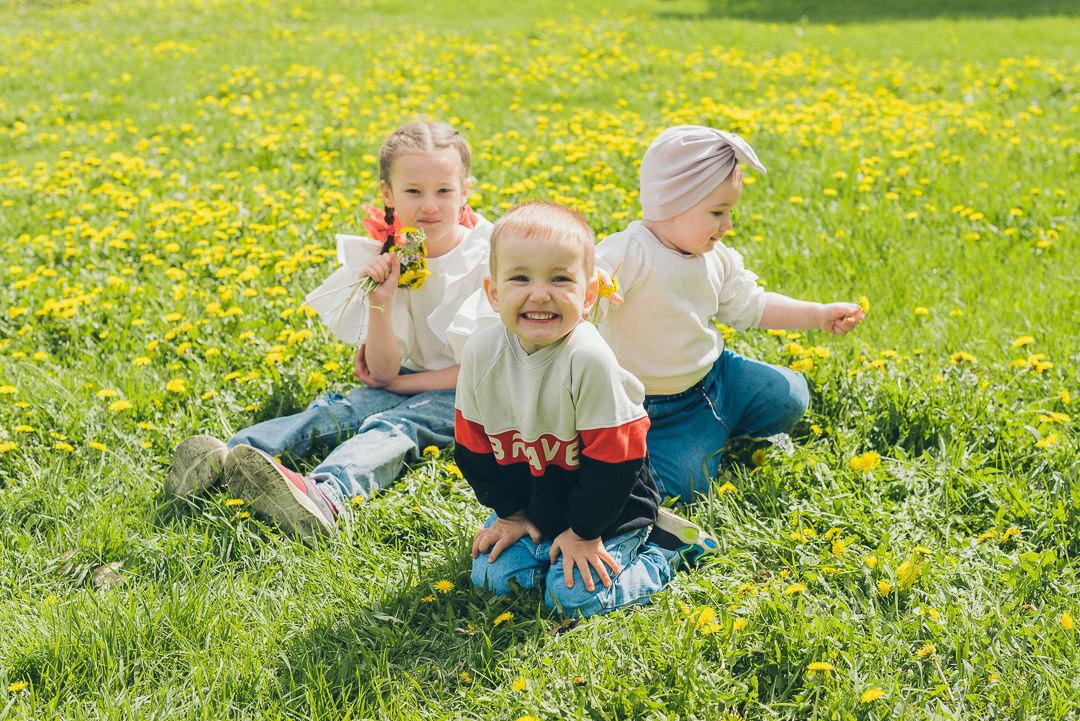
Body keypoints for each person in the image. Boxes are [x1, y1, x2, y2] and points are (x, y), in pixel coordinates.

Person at [164, 120, 495, 540]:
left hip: (468, 393)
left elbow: (480, 368)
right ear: (388, 194)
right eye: (413, 191)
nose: (429, 205)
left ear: (465, 191)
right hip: (404, 380)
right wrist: (380, 302)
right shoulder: (388, 256)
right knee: (338, 410)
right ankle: (231, 455)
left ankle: (327, 494)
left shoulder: (487, 257)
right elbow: (384, 370)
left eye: (444, 190)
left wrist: (399, 386)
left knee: (396, 428)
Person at [454, 201, 718, 619]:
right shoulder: (480, 354)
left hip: (609, 508)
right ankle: (547, 549)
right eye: (520, 277)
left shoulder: (588, 358)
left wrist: (582, 534)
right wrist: (510, 514)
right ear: (494, 293)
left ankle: (665, 550)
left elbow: (616, 465)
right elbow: (473, 450)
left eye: (560, 278)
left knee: (571, 599)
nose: (539, 294)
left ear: (589, 293)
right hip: (534, 501)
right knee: (493, 578)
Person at [593, 124, 866, 502]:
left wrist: (817, 315)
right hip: (655, 409)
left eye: (730, 211)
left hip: (716, 378)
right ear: (673, 203)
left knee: (791, 395)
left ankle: (719, 426)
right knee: (685, 489)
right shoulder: (631, 251)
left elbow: (751, 304)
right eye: (718, 212)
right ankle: (671, 447)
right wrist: (594, 284)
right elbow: (592, 275)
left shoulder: (714, 257)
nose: (728, 225)